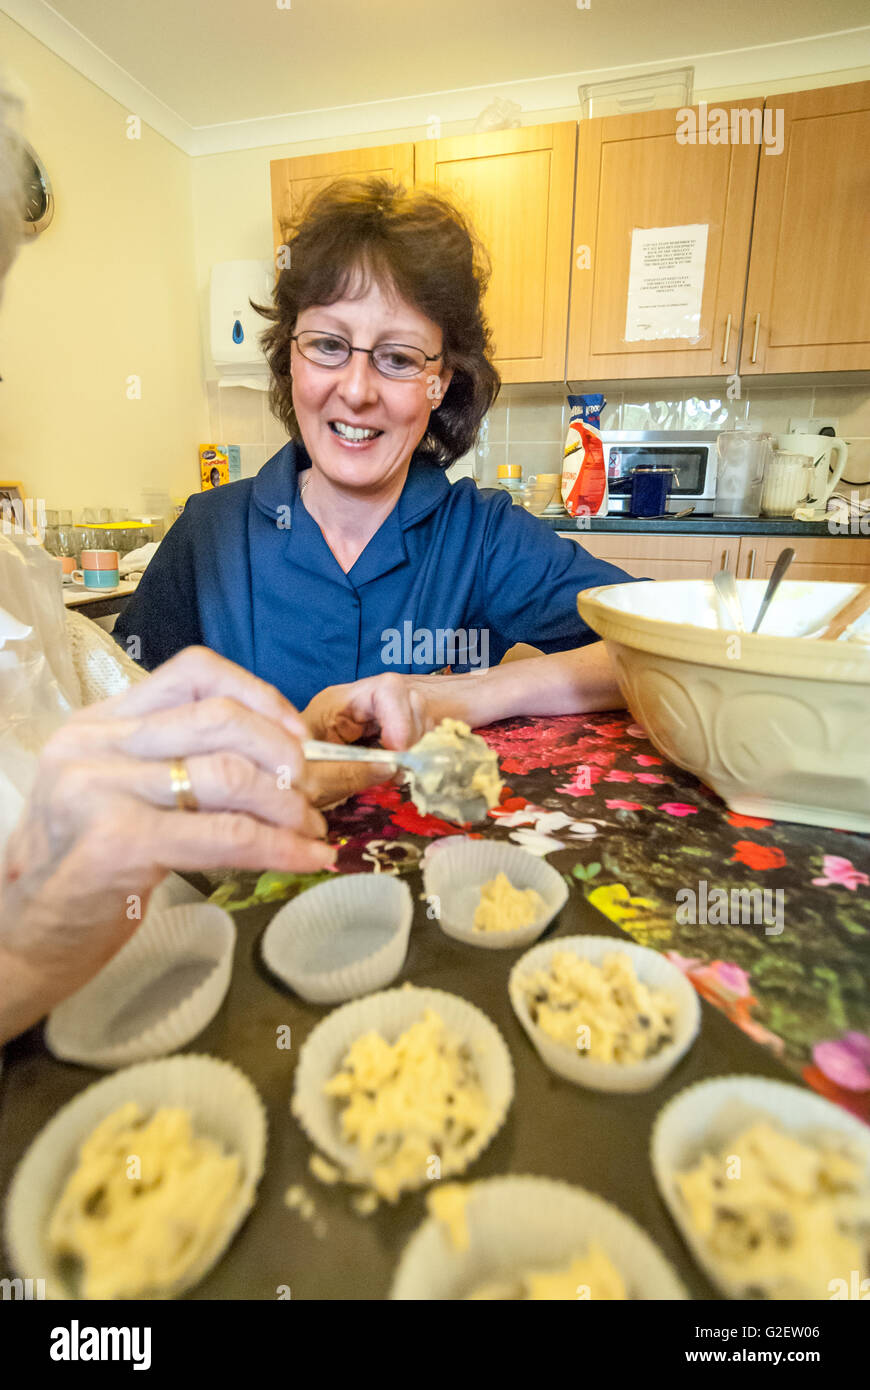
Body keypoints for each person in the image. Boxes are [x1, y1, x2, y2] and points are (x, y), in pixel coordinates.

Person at [0, 82, 336, 1046]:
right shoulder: (210, 527)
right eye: (327, 346)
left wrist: (304, 752)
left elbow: (129, 730)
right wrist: (27, 955)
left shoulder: (27, 589)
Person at [114, 178, 634, 746]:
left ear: (440, 383)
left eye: (398, 357)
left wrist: (468, 692)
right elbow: (120, 704)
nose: (357, 390)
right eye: (329, 345)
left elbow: (661, 646)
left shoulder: (482, 535)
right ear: (290, 356)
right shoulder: (208, 531)